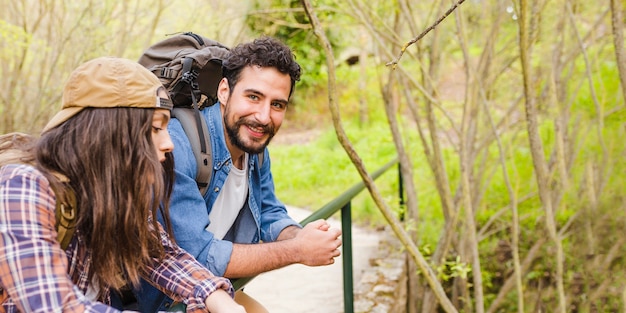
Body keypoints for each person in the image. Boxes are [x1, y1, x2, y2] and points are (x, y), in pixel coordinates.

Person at [0, 57, 245, 313]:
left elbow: (162, 257)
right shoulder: (24, 188)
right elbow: (50, 305)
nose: (168, 143)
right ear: (109, 133)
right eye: (155, 128)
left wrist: (216, 297)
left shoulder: (109, 197)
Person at [135, 37, 343, 312]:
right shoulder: (176, 147)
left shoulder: (254, 148)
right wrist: (298, 250)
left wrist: (302, 235)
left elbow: (268, 211)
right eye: (253, 97)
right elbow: (198, 255)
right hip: (161, 300)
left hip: (211, 293)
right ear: (224, 91)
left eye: (277, 105)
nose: (264, 116)